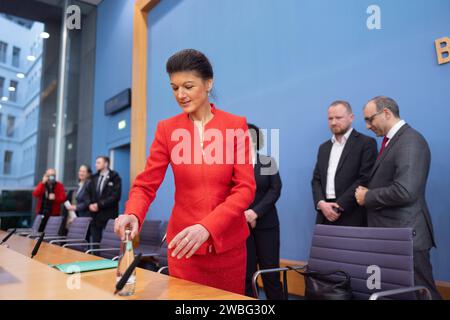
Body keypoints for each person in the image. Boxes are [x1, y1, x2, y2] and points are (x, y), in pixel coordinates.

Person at [114, 49, 256, 295]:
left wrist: (207, 227)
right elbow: (146, 184)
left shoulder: (235, 125)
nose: (180, 95)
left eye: (188, 86)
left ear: (208, 83)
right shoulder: (167, 129)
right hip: (184, 249)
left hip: (226, 249)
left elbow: (245, 189)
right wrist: (134, 213)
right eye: (174, 88)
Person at [355, 96, 441, 299]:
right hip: (392, 237)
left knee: (422, 293)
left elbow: (406, 191)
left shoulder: (411, 141)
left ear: (386, 113)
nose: (367, 126)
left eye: (370, 119)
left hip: (407, 237)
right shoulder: (393, 141)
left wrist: (368, 196)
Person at [311, 100, 377, 226]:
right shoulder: (323, 148)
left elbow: (365, 178)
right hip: (324, 213)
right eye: (330, 119)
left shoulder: (366, 143)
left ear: (351, 117)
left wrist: (339, 206)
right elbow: (316, 180)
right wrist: (321, 203)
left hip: (352, 213)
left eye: (338, 118)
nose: (334, 122)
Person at [244, 123, 283, 299]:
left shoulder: (268, 161)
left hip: (267, 226)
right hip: (242, 228)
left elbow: (275, 189)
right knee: (246, 275)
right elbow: (228, 193)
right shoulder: (233, 166)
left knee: (270, 275)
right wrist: (245, 214)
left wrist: (255, 213)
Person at [85, 156, 121, 243]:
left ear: (106, 164)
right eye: (96, 162)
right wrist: (89, 204)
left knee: (109, 243)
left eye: (98, 162)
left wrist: (99, 205)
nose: (96, 165)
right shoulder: (93, 177)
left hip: (108, 215)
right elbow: (87, 194)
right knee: (95, 243)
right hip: (95, 216)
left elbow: (116, 196)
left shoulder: (115, 177)